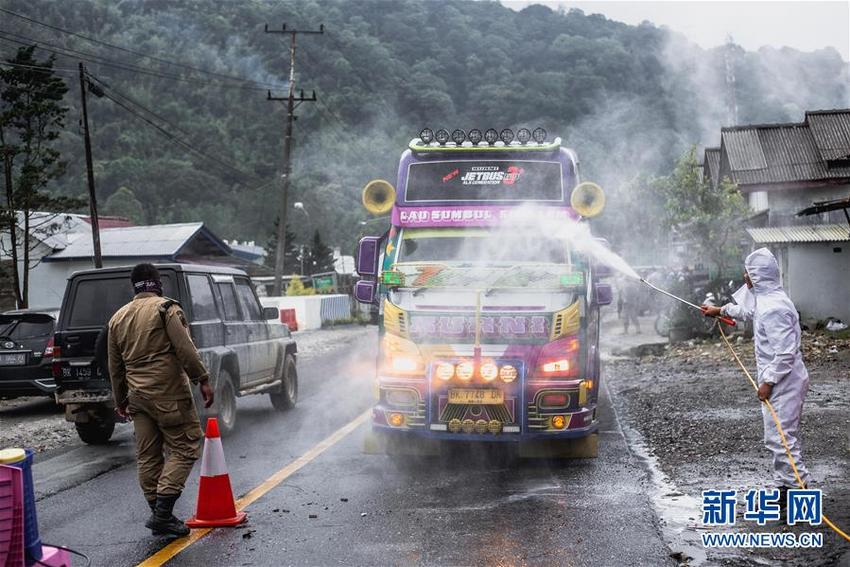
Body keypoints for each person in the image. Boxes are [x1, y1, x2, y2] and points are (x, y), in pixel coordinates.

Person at [108, 263, 214, 537]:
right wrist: (202, 379)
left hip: (137, 398)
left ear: (134, 286)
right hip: (169, 394)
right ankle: (163, 514)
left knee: (148, 455)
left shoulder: (117, 318)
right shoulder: (166, 309)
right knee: (186, 446)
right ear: (157, 283)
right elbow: (185, 348)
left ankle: (158, 512)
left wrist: (120, 400)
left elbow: (115, 367)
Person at [701, 248, 811, 497]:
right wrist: (719, 310)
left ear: (759, 275)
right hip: (783, 378)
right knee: (778, 437)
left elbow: (785, 353)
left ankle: (799, 491)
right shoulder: (767, 299)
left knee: (782, 438)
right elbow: (748, 311)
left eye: (749, 273)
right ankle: (786, 487)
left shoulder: (774, 308)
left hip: (784, 380)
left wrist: (768, 383)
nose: (745, 276)